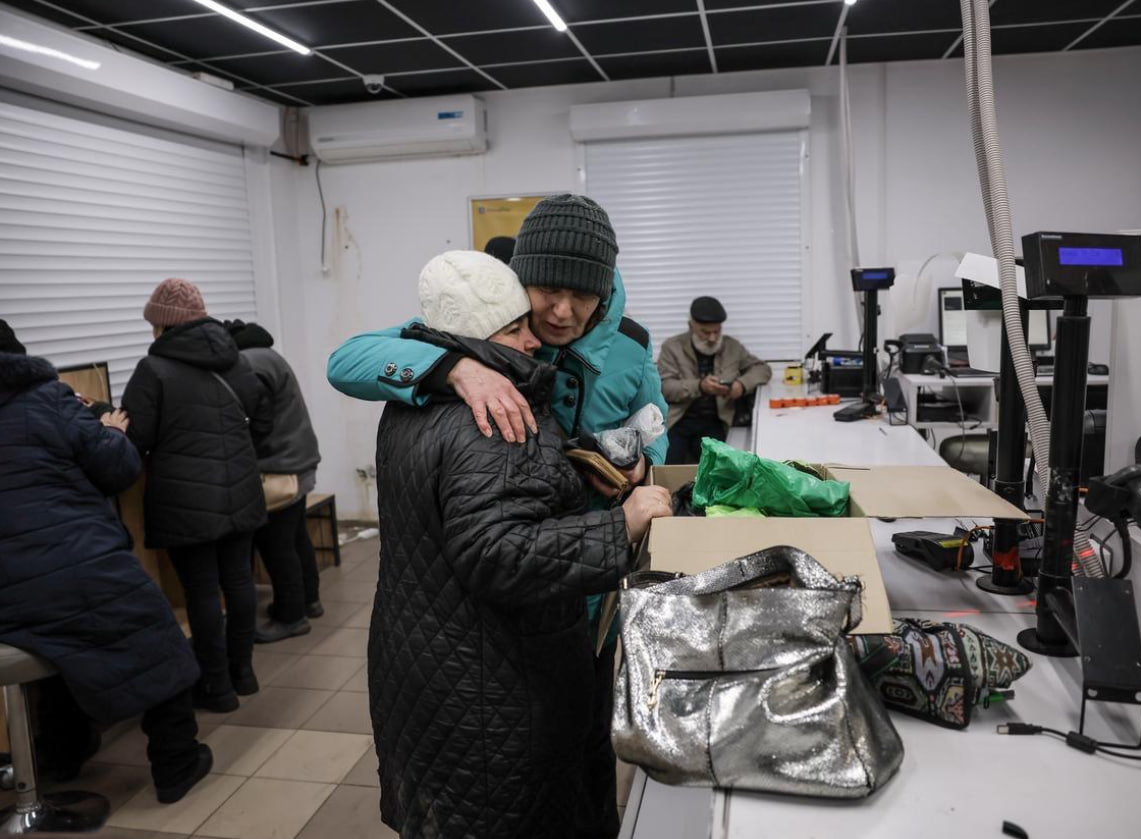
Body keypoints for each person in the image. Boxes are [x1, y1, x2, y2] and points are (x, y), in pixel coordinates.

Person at [328, 194, 667, 838]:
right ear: (520, 280)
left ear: (604, 292)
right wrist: (455, 367)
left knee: (583, 737)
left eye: (581, 296)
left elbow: (655, 427)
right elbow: (347, 360)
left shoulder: (632, 346)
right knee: (522, 743)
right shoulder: (489, 319)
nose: (559, 313)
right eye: (546, 292)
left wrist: (641, 464)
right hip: (514, 595)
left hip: (588, 586)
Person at [0, 320, 213, 804]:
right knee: (158, 643)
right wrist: (112, 433)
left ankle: (61, 756)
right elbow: (117, 469)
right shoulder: (48, 399)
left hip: (9, 588)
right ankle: (177, 763)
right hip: (78, 561)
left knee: (54, 645)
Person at [121, 279, 272, 713]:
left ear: (163, 325)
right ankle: (244, 674)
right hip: (241, 491)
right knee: (239, 582)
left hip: (186, 502)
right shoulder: (235, 360)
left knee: (203, 592)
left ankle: (217, 687)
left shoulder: (153, 370)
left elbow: (136, 438)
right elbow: (263, 420)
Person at [225, 320, 324, 643]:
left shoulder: (249, 364)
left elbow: (257, 421)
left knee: (276, 545)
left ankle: (291, 617)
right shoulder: (268, 355)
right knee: (296, 537)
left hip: (279, 466)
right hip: (297, 460)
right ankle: (309, 601)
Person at [657, 296, 772, 465]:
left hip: (716, 421)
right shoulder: (672, 347)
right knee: (667, 466)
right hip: (679, 421)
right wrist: (700, 386)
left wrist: (741, 385)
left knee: (715, 466)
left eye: (717, 331)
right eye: (705, 332)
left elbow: (762, 369)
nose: (712, 338)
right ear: (691, 325)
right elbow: (665, 387)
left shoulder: (732, 347)